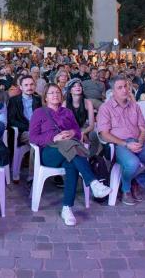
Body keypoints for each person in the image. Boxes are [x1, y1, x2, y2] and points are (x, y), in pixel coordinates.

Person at [30, 83, 111, 225]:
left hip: (68, 153)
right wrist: (54, 137)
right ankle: (93, 182)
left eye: (57, 92)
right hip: (50, 153)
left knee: (71, 163)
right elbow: (33, 137)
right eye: (51, 93)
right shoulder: (39, 113)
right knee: (70, 145)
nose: (55, 95)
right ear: (45, 97)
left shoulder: (67, 112)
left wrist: (72, 132)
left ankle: (67, 208)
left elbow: (77, 131)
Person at [98, 78, 145, 205]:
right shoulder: (105, 108)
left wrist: (141, 141)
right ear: (113, 92)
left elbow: (143, 129)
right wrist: (126, 144)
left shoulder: (135, 106)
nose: (124, 90)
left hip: (138, 143)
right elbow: (104, 134)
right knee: (133, 163)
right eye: (120, 88)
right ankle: (125, 189)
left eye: (126, 86)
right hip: (119, 145)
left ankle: (137, 182)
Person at [63, 78, 98, 152]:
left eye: (79, 85)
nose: (78, 87)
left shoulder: (88, 102)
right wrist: (76, 132)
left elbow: (91, 125)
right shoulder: (65, 103)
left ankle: (90, 154)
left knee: (93, 135)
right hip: (70, 129)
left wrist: (82, 132)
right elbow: (63, 124)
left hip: (84, 128)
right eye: (74, 86)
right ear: (70, 91)